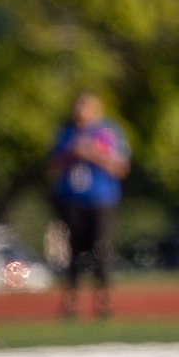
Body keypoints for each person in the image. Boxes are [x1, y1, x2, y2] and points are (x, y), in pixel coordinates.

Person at [47, 92, 130, 318]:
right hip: (70, 200)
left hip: (102, 200)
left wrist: (93, 153)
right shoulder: (66, 132)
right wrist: (71, 152)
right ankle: (72, 300)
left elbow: (121, 167)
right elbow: (51, 164)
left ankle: (103, 300)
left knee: (101, 249)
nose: (80, 112)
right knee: (72, 251)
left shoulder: (108, 132)